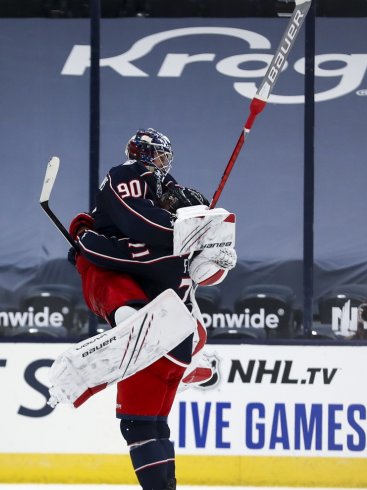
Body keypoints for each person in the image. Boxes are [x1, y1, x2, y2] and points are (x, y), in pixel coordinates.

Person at [66, 128, 235, 490]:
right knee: (157, 423)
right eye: (158, 155)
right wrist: (197, 230)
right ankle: (193, 362)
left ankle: (133, 323)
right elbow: (142, 222)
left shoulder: (149, 198)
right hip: (178, 342)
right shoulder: (130, 175)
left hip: (154, 335)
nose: (163, 163)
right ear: (141, 153)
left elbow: (128, 237)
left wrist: (82, 241)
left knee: (138, 426)